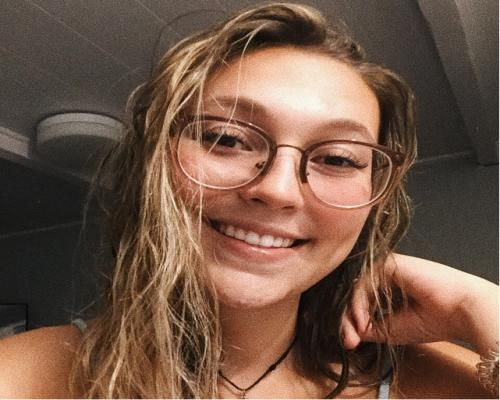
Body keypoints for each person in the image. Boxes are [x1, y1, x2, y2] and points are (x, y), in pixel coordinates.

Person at [0, 3, 497, 398]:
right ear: (153, 162)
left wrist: (477, 305)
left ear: (374, 200)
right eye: (227, 138)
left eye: (338, 158)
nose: (277, 189)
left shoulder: (437, 381)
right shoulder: (23, 376)